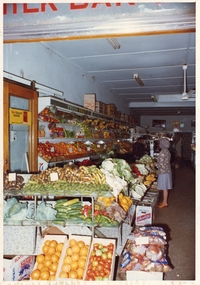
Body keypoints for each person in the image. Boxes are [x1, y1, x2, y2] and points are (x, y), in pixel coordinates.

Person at [156, 137, 172, 208]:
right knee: (165, 188)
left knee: (164, 188)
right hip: (167, 171)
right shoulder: (167, 151)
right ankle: (164, 201)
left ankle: (165, 203)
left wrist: (155, 164)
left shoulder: (163, 152)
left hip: (163, 172)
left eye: (160, 143)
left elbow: (161, 164)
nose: (159, 144)